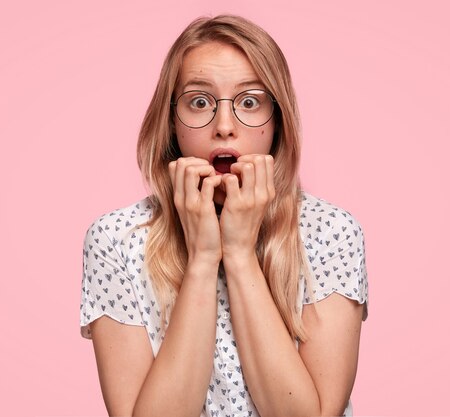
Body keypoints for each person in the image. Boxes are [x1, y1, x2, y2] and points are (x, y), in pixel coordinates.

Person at [80, 14, 369, 417]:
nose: (225, 126)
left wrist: (238, 252)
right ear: (170, 121)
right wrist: (202, 259)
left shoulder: (331, 232)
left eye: (250, 102)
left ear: (278, 121)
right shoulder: (116, 239)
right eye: (199, 102)